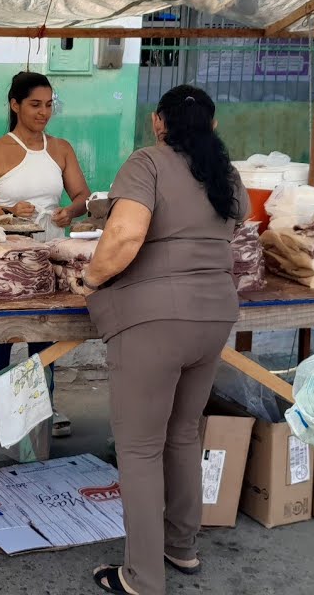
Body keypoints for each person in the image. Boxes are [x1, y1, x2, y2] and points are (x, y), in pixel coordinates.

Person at [82, 85, 248, 595]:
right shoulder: (226, 173)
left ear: (159, 122)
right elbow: (230, 228)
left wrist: (89, 278)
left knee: (139, 448)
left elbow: (127, 235)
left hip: (155, 322)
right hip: (215, 316)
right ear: (212, 126)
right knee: (182, 434)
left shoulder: (147, 162)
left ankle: (143, 577)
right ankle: (183, 546)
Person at [0, 71, 92, 438]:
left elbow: (83, 196)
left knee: (44, 336)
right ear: (15, 104)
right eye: (35, 104)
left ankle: (41, 409)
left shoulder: (61, 148)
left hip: (51, 254)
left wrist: (71, 211)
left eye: (49, 105)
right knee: (1, 336)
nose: (44, 112)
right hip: (6, 261)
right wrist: (5, 213)